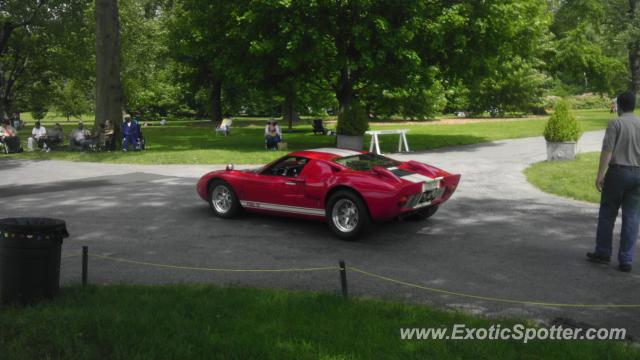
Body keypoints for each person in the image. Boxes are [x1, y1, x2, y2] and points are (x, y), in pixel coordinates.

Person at [588, 92, 640, 273]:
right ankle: (626, 260)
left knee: (608, 213)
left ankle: (603, 252)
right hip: (638, 175)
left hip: (618, 172)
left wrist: (600, 174)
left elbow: (607, 150)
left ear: (619, 105)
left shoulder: (616, 123)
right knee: (632, 216)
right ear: (633, 105)